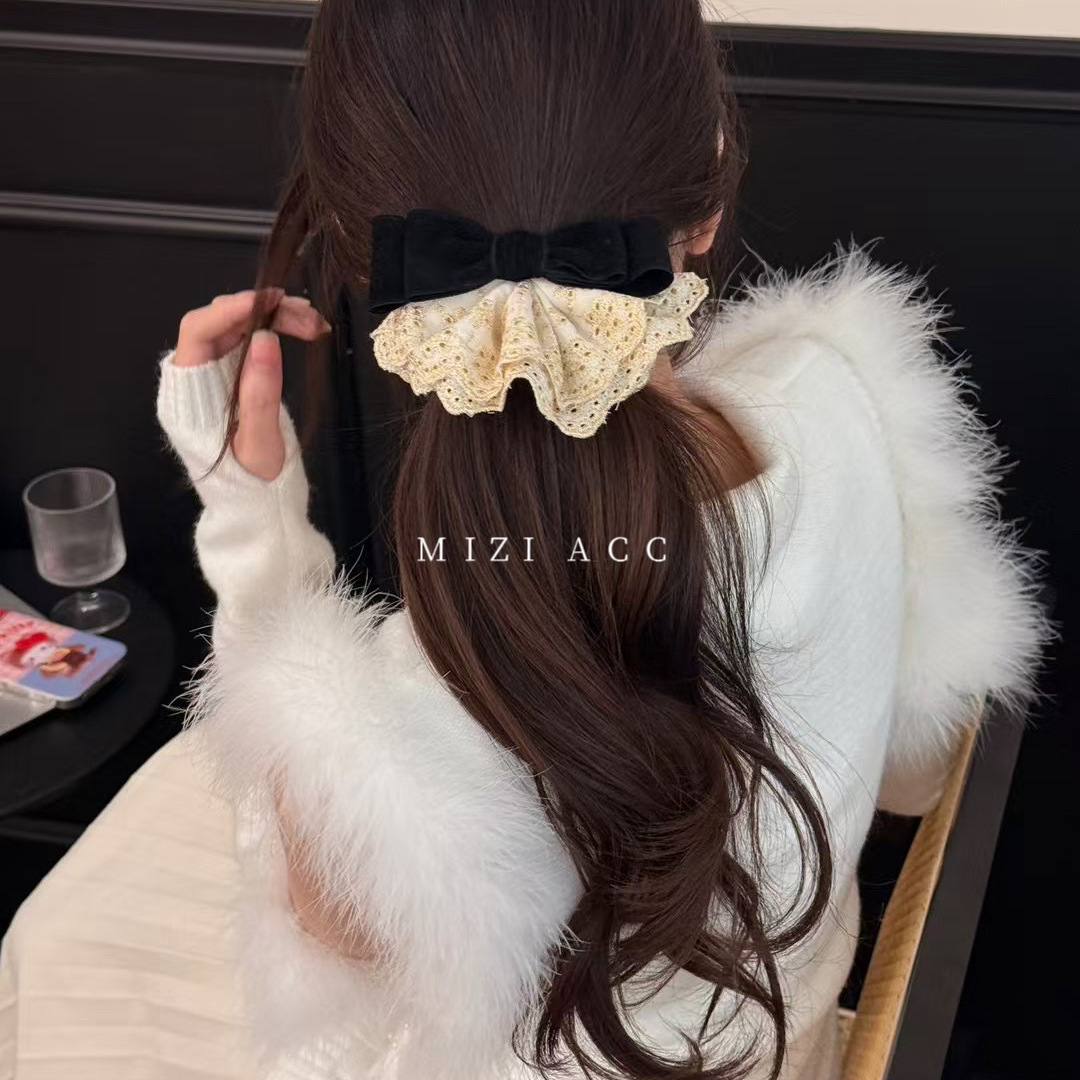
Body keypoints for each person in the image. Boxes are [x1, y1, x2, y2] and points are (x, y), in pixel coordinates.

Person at [0, 2, 1050, 1079]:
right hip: (785, 1038)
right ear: (708, 188)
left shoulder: (432, 697)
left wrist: (249, 518)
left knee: (45, 941)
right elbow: (913, 771)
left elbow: (306, 920)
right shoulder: (848, 400)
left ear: (372, 264)